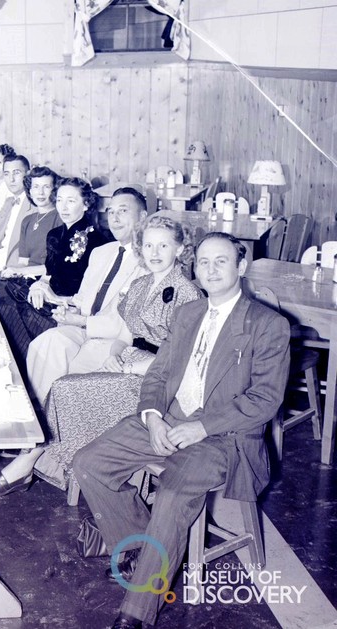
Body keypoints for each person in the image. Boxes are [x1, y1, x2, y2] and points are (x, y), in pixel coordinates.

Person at [74, 232, 290, 629]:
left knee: (172, 493)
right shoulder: (188, 314)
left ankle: (136, 611)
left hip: (224, 438)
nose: (210, 269)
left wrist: (201, 427)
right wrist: (153, 415)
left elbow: (265, 400)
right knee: (88, 462)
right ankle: (147, 550)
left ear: (241, 267)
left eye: (221, 261)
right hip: (167, 420)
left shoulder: (267, 325)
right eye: (203, 262)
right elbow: (157, 373)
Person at [0, 214, 201, 495]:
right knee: (67, 383)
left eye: (164, 246)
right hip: (128, 362)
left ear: (180, 250)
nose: (154, 253)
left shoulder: (187, 293)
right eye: (149, 246)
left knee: (65, 390)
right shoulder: (140, 285)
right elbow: (126, 333)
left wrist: (131, 367)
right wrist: (116, 353)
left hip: (157, 382)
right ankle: (42, 461)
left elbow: (182, 359)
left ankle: (31, 460)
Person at [26, 187, 149, 405]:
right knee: (46, 343)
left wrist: (82, 321)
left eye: (123, 211)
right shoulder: (102, 252)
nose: (115, 218)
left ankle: (56, 418)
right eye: (111, 212)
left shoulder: (149, 261)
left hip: (115, 339)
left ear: (142, 217)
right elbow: (81, 300)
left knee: (73, 360)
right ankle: (40, 414)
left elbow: (125, 324)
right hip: (83, 329)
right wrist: (62, 305)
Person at [0, 177, 110, 364]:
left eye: (71, 201)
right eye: (60, 200)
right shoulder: (54, 235)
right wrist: (39, 286)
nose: (63, 207)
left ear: (86, 204)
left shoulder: (100, 242)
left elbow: (93, 295)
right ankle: (21, 366)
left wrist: (57, 298)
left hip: (69, 309)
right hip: (47, 299)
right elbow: (48, 274)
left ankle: (23, 370)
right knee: (1, 302)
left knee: (6, 311)